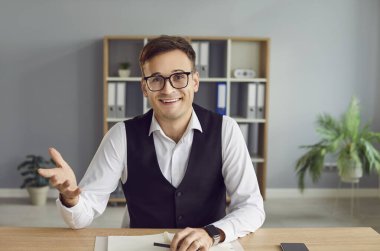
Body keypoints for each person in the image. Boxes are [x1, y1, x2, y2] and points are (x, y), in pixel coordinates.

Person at [39, 35, 265, 251]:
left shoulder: (226, 130)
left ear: (195, 81)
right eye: (156, 79)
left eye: (178, 77)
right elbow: (82, 216)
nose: (168, 89)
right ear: (144, 87)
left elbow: (252, 207)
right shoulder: (121, 135)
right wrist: (71, 198)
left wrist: (212, 233)